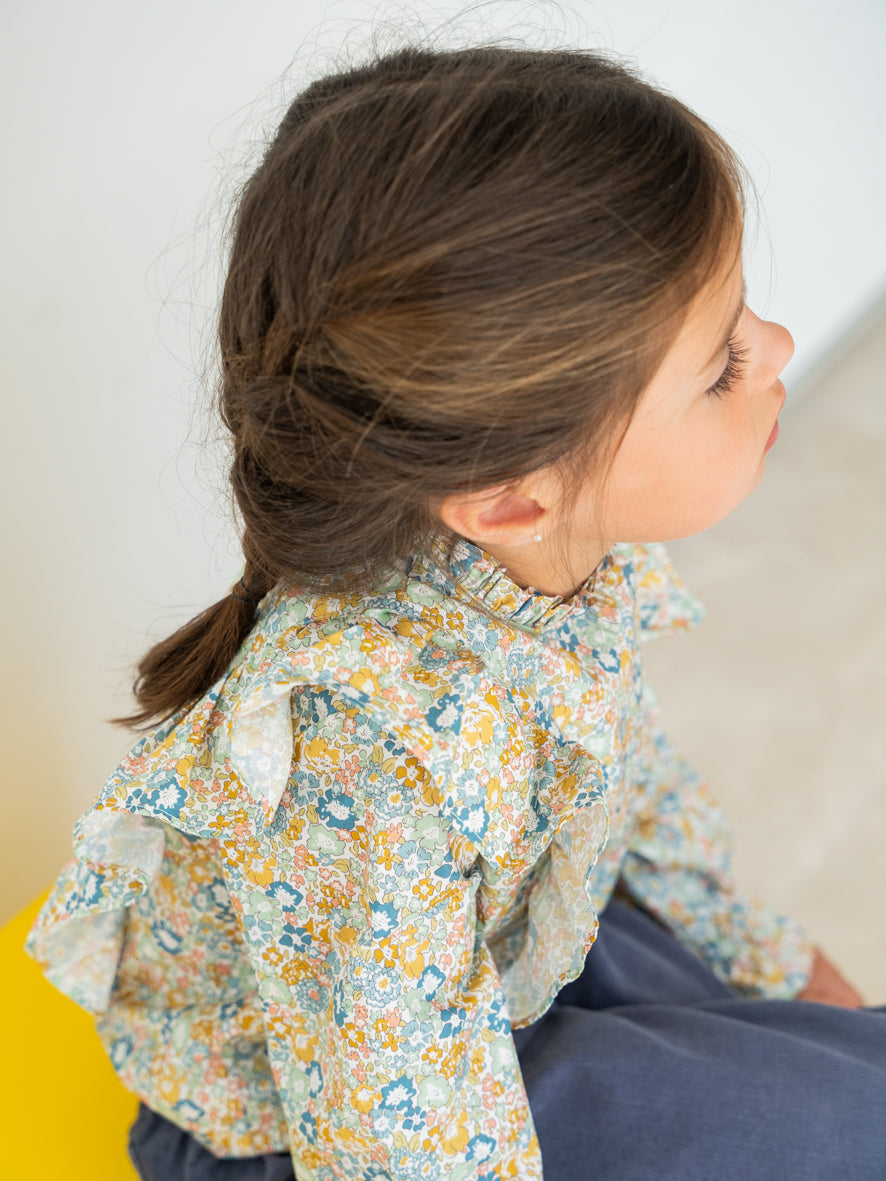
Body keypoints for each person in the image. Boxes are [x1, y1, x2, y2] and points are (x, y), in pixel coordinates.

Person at [25, 43, 886, 1181]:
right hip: (338, 1111)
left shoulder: (539, 565)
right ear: (513, 497)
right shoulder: (366, 768)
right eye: (720, 363)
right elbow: (391, 1130)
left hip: (483, 958)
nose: (773, 348)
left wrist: (761, 957)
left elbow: (631, 779)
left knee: (848, 1080)